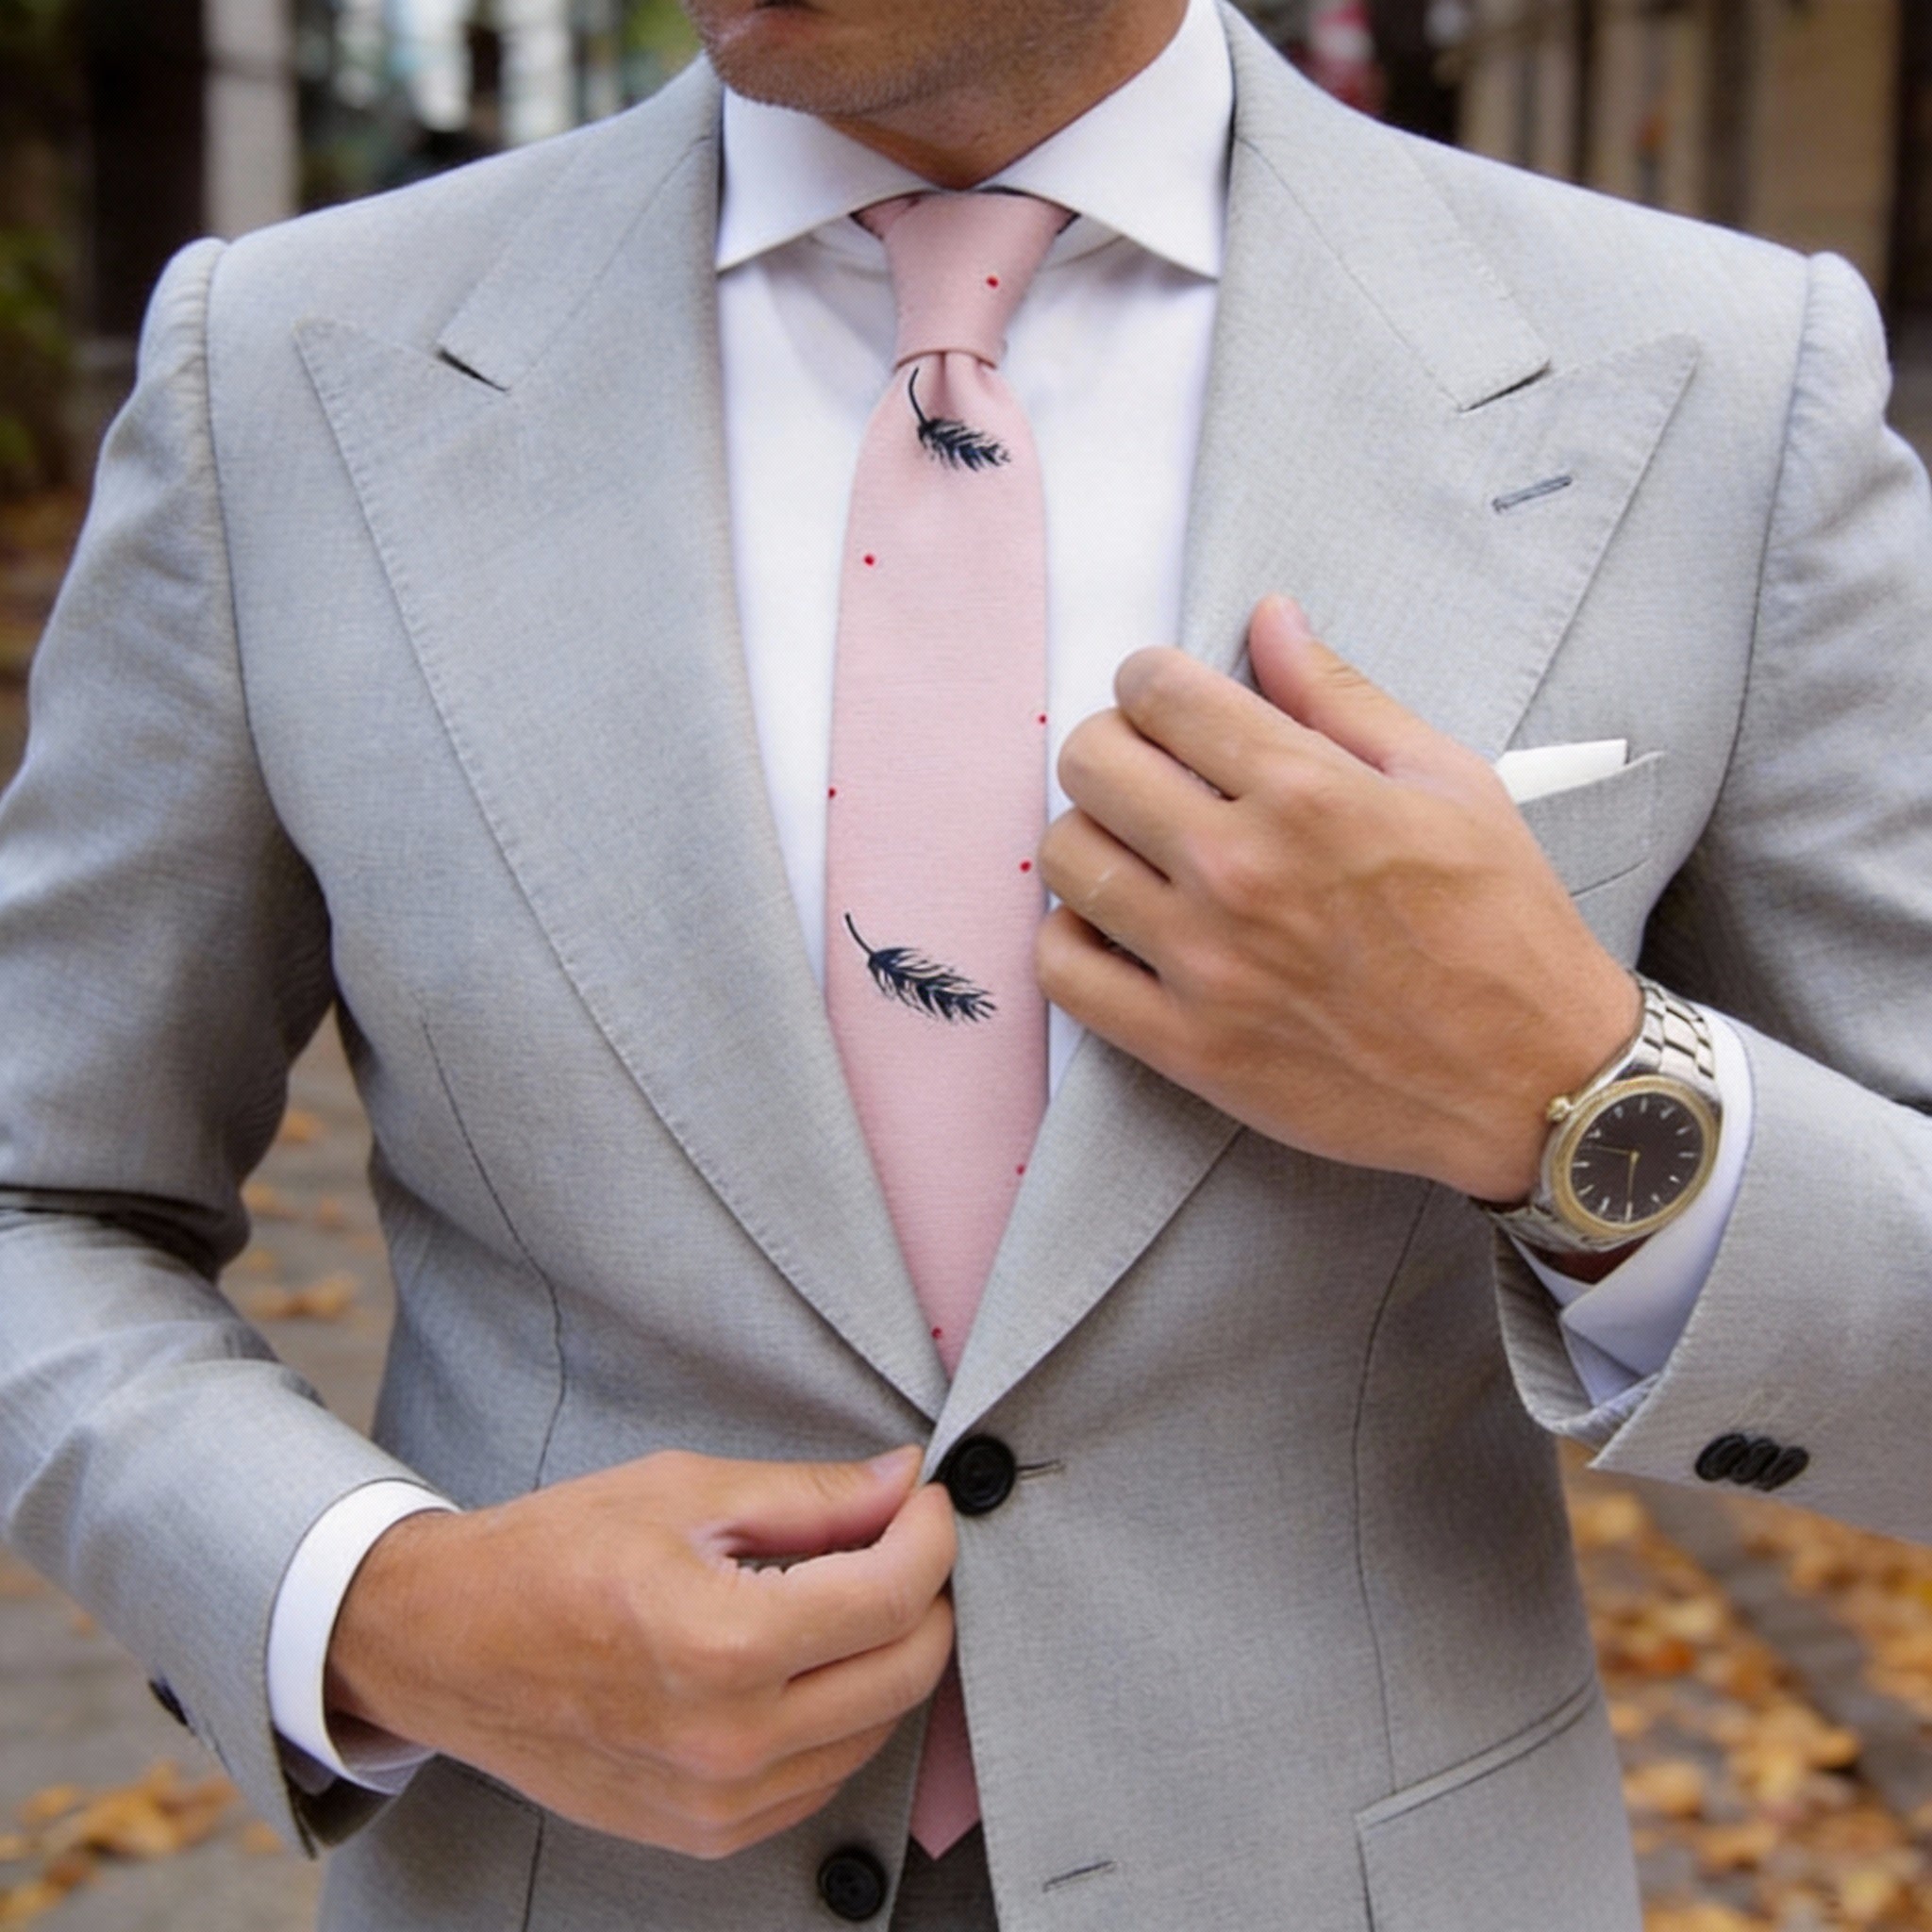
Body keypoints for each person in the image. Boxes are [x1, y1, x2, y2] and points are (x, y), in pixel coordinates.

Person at [1, 0, 1928, 1925]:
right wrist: (379, 1606)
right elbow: (40, 1196)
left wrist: (1580, 1097)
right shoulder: (270, 374)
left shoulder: (1713, 382)